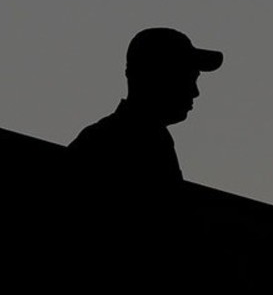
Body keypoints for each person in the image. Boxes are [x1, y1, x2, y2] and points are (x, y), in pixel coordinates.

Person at [66, 28, 224, 276]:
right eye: (188, 77)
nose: (195, 91)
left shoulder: (130, 137)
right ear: (159, 77)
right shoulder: (133, 141)